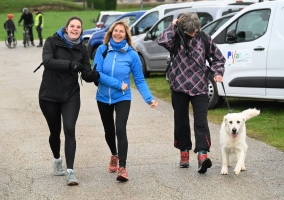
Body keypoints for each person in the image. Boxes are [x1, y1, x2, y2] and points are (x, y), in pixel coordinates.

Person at [157, 13, 225, 173]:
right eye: (190, 32)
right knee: (181, 121)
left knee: (201, 122)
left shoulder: (204, 38)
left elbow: (218, 58)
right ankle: (184, 153)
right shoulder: (175, 37)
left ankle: (202, 156)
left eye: (195, 31)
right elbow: (162, 40)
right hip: (179, 86)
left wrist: (217, 72)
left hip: (200, 87)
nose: (193, 34)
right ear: (182, 28)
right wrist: (173, 25)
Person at [93, 20, 158, 182]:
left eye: (121, 31)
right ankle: (114, 155)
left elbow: (140, 80)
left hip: (123, 97)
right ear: (111, 33)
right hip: (103, 97)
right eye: (115, 31)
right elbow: (97, 74)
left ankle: (122, 167)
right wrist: (117, 84)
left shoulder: (132, 54)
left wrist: (149, 98)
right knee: (109, 130)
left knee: (120, 128)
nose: (118, 33)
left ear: (126, 35)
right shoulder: (101, 50)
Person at [39, 16, 100, 186]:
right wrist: (70, 65)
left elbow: (86, 73)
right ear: (66, 28)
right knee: (55, 131)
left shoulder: (82, 49)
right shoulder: (52, 41)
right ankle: (57, 159)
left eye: (78, 27)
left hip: (70, 94)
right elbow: (48, 62)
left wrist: (94, 75)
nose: (75, 29)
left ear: (81, 30)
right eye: (72, 26)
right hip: (49, 94)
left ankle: (70, 171)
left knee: (69, 128)